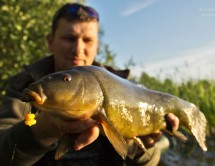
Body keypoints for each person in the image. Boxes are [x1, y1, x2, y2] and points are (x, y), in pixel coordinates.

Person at [0, 3, 180, 166]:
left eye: (87, 40)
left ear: (97, 46)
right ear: (50, 42)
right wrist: (44, 129)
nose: (78, 49)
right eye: (69, 38)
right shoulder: (26, 86)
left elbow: (150, 162)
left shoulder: (123, 85)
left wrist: (143, 148)